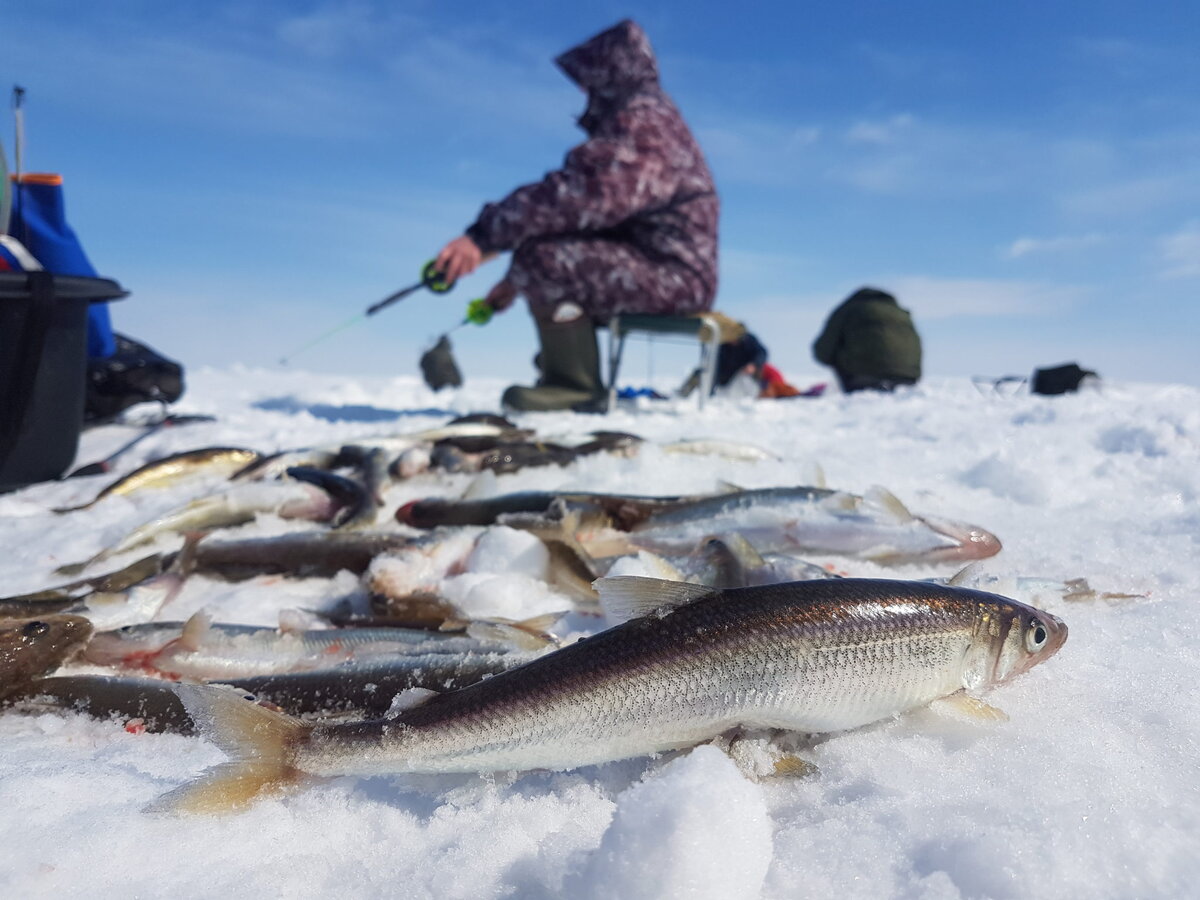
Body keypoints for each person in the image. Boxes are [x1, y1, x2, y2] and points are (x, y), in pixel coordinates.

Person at [434, 19, 719, 411]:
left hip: (674, 276)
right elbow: (600, 220)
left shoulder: (643, 125)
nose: (584, 93)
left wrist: (484, 237)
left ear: (608, 77)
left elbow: (578, 198)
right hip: (663, 268)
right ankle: (563, 367)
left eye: (589, 83)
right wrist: (515, 279)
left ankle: (574, 384)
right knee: (539, 253)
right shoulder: (650, 118)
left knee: (544, 257)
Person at [812, 287, 922, 393]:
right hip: (909, 378)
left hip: (863, 378)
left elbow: (823, 350)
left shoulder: (849, 308)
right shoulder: (901, 313)